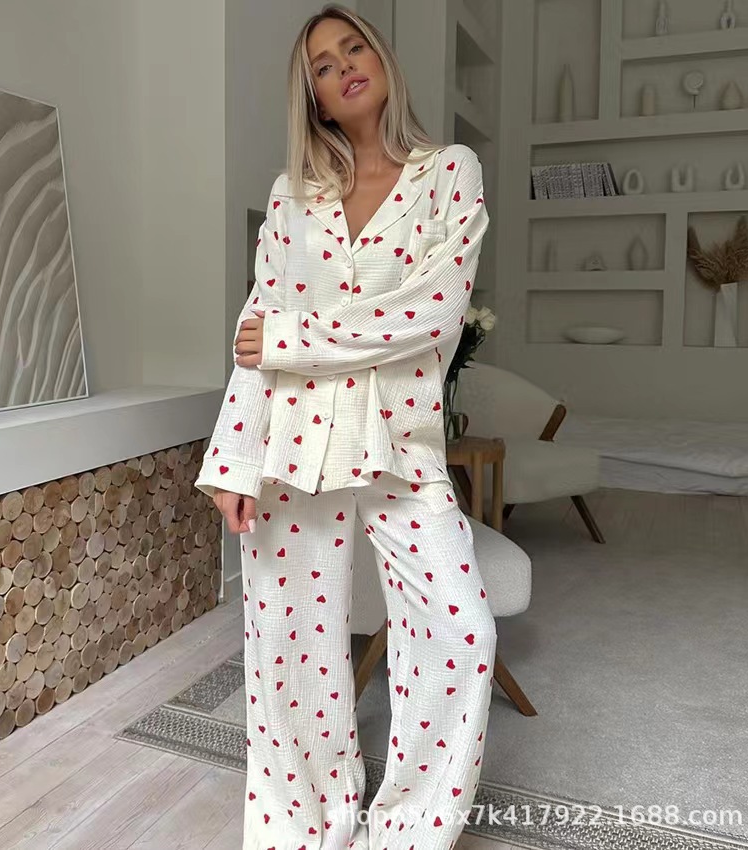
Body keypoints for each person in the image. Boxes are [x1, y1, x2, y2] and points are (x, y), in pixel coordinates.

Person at [195, 4, 497, 848]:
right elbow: (254, 331)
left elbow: (431, 314)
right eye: (322, 67)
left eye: (353, 48)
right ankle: (303, 825)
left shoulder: (450, 173)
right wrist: (233, 458)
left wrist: (294, 337)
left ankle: (408, 831)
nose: (343, 68)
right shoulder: (290, 198)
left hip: (402, 445)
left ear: (382, 60)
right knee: (287, 647)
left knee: (462, 633)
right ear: (316, 98)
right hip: (292, 444)